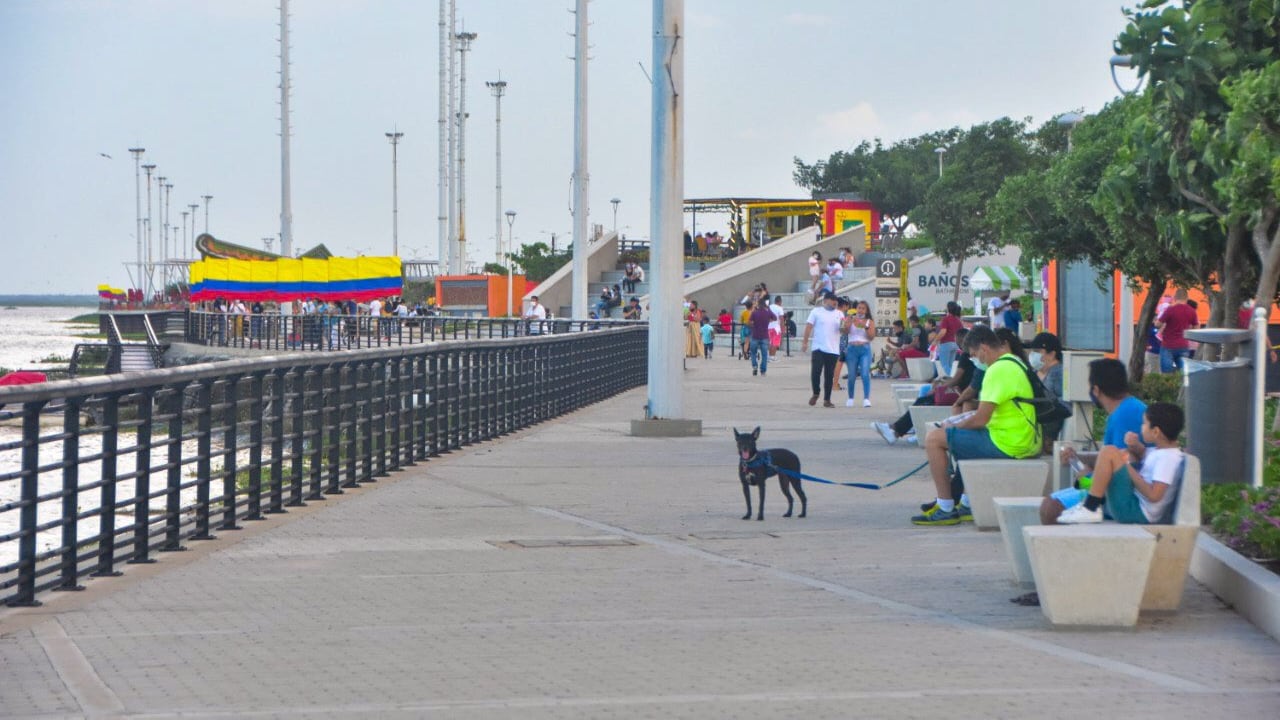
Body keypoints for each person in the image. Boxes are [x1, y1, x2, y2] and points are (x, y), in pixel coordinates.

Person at [913, 326, 1041, 526]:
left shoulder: (997, 370)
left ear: (983, 348)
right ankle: (966, 502)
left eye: (974, 355)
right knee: (961, 437)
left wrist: (952, 429)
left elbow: (981, 418)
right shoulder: (1014, 362)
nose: (976, 360)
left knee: (934, 439)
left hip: (1008, 443)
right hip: (1020, 437)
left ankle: (945, 507)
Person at [1040, 358, 1148, 524]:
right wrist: (1078, 459)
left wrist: (1085, 477)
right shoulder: (1127, 409)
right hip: (1121, 489)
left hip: (1124, 497)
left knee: (1052, 509)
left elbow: (1122, 469)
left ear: (1096, 390)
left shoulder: (1124, 416)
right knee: (1050, 504)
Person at [1056, 403, 1185, 524]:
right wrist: (1135, 446)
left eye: (1144, 424)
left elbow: (1154, 495)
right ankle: (1088, 488)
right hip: (1132, 503)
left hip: (1136, 511)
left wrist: (1126, 466)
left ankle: (1091, 507)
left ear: (1156, 432)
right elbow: (1146, 455)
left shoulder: (1168, 459)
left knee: (1109, 452)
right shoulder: (1161, 451)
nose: (1142, 427)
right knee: (1120, 453)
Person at [873, 329, 974, 445]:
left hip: (960, 394)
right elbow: (960, 379)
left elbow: (957, 379)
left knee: (925, 400)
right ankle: (898, 428)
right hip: (960, 392)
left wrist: (939, 388)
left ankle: (897, 430)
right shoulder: (968, 356)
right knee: (925, 395)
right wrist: (941, 382)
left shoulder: (966, 356)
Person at [802, 290, 843, 407]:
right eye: (832, 301)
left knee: (829, 375)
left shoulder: (839, 314)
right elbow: (809, 326)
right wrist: (805, 342)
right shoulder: (816, 311)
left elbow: (843, 330)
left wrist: (847, 326)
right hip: (818, 347)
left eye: (836, 302)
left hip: (833, 349)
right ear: (825, 301)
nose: (835, 303)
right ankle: (816, 393)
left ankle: (827, 400)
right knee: (816, 372)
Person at [1156, 288, 1198, 372]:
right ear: (1186, 298)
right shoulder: (1192, 311)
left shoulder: (1170, 310)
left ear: (1175, 298)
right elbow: (1196, 326)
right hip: (1183, 345)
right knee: (1184, 373)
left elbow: (1157, 324)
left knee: (1167, 375)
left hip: (1168, 345)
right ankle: (1183, 385)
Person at [844, 299, 876, 407]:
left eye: (863, 309)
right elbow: (844, 331)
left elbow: (871, 337)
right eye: (859, 308)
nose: (861, 310)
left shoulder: (869, 322)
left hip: (864, 349)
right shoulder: (850, 318)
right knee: (852, 375)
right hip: (852, 348)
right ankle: (850, 398)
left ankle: (866, 398)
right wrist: (848, 321)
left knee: (864, 374)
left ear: (866, 311)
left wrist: (865, 326)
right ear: (855, 309)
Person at [747, 299, 776, 376]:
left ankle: (755, 366)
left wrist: (754, 326)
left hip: (755, 335)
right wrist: (769, 318)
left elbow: (748, 322)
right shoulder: (767, 313)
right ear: (765, 305)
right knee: (764, 354)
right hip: (764, 336)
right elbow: (775, 318)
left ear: (758, 305)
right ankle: (763, 371)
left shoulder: (754, 313)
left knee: (753, 353)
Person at [934, 301, 964, 374]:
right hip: (955, 344)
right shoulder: (958, 320)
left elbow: (943, 331)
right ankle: (951, 380)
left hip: (946, 344)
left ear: (948, 308)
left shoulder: (946, 319)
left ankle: (951, 379)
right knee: (950, 365)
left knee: (944, 365)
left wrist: (935, 340)